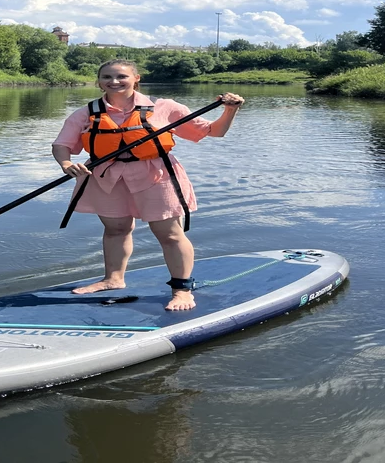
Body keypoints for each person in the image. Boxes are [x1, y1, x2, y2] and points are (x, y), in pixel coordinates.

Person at [51, 59, 244, 311]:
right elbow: (61, 145)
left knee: (169, 233)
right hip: (106, 176)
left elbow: (213, 131)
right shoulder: (86, 112)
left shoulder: (164, 107)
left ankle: (182, 290)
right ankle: (113, 279)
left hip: (156, 174)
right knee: (115, 229)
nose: (114, 81)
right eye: (107, 77)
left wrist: (230, 110)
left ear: (136, 78)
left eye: (121, 76)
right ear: (99, 82)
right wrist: (66, 164)